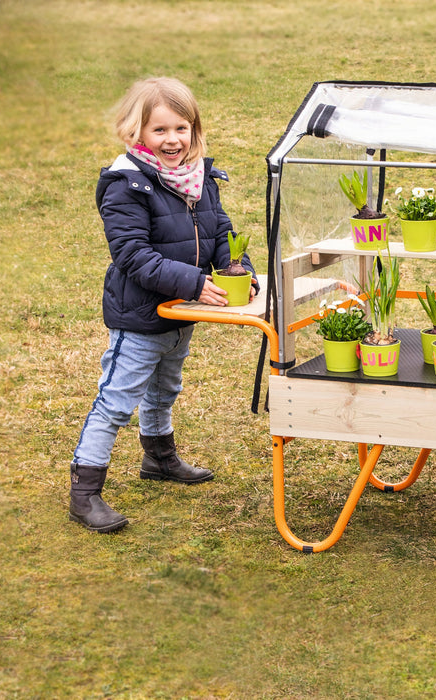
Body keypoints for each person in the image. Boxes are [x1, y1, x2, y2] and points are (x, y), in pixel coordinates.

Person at [69, 77, 257, 533]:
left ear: (194, 129)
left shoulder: (200, 179)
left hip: (181, 314)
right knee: (116, 401)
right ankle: (84, 492)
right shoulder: (126, 184)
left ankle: (159, 459)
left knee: (164, 389)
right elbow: (132, 256)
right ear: (136, 132)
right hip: (139, 315)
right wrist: (194, 282)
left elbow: (220, 234)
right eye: (159, 131)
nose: (172, 140)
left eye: (181, 128)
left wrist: (239, 269)